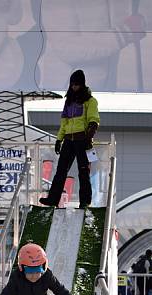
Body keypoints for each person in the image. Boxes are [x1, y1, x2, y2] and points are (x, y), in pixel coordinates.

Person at [39, 70, 99, 210]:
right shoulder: (69, 101)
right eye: (72, 84)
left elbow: (93, 120)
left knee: (83, 171)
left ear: (82, 84)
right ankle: (53, 199)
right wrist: (59, 140)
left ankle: (85, 201)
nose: (74, 87)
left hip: (81, 140)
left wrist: (88, 137)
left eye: (77, 84)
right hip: (68, 140)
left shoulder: (90, 101)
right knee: (61, 170)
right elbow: (64, 123)